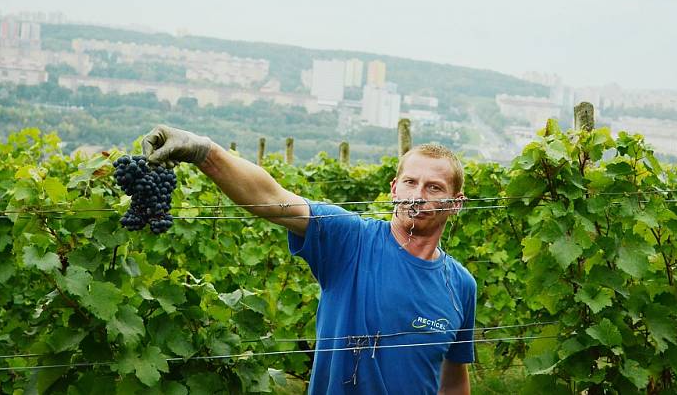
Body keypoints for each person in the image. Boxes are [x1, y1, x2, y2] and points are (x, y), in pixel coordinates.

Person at [142, 125, 477, 395]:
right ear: (393, 189)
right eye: (410, 182)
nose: (417, 196)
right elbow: (271, 199)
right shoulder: (350, 240)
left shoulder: (460, 284)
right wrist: (204, 151)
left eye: (434, 187)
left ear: (457, 202)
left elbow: (452, 380)